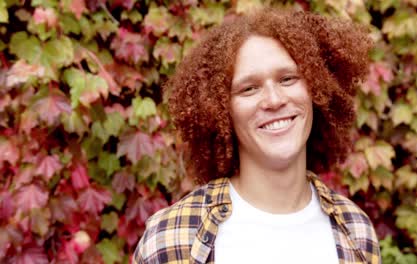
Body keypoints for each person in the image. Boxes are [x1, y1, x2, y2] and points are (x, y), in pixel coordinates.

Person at [133, 8, 380, 264]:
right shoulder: (171, 238)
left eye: (287, 79)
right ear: (219, 110)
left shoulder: (356, 231)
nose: (274, 100)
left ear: (317, 89)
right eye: (249, 88)